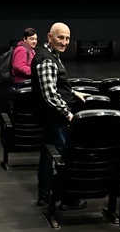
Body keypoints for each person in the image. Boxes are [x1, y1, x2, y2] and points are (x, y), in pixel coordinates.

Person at [31, 22, 88, 207]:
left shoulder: (51, 55)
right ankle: (67, 198)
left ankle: (45, 194)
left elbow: (55, 85)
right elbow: (49, 94)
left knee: (48, 156)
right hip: (55, 119)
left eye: (67, 38)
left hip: (53, 118)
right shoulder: (47, 59)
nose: (64, 42)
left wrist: (72, 92)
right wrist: (68, 114)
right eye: (60, 37)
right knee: (64, 157)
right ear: (50, 37)